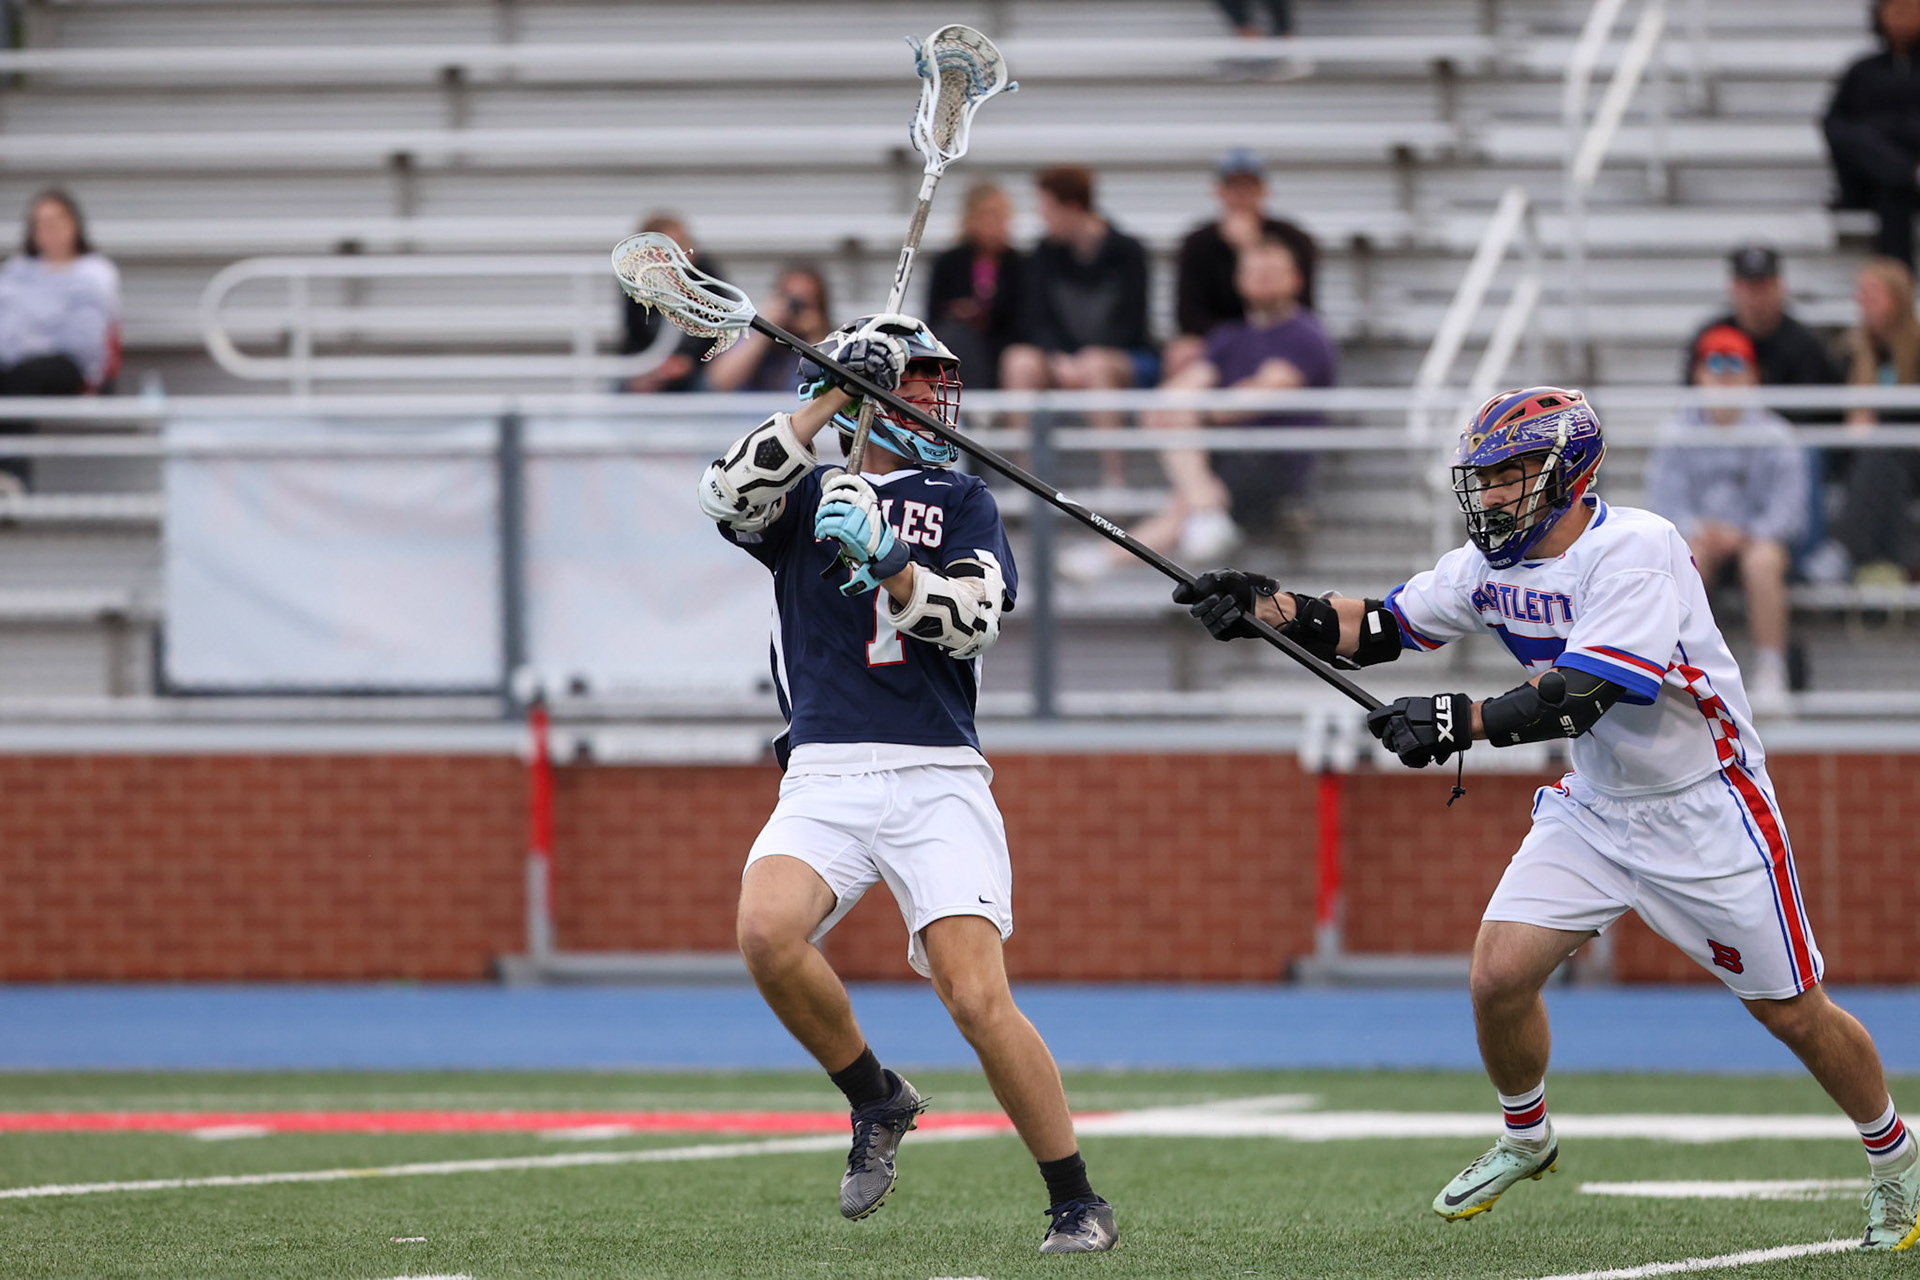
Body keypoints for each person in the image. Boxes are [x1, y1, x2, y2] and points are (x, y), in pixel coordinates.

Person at [1173, 386, 1919, 1252]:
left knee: (1793, 1013)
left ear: (1568, 474)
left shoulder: (1638, 547)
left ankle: (1895, 1158)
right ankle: (1527, 1134)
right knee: (1497, 977)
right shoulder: (1487, 566)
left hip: (1706, 807)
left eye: (1511, 475)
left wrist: (1457, 722)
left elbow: (1584, 696)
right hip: (1598, 806)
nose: (1490, 496)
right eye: (1483, 479)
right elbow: (1376, 626)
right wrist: (1263, 608)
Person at [699, 312, 1117, 1254]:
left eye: (937, 381)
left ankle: (1075, 1199)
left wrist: (890, 563)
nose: (932, 397)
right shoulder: (803, 489)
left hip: (935, 773)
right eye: (913, 379)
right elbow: (724, 498)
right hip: (827, 769)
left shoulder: (962, 500)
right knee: (765, 932)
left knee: (974, 995)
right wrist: (827, 402)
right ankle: (876, 1098)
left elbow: (972, 622)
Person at [1064, 236, 1336, 578]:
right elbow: (1186, 386)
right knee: (1186, 491)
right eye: (1254, 271)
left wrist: (1194, 411)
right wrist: (1173, 406)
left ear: (1296, 279)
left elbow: (1261, 394)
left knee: (1184, 504)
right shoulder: (1230, 337)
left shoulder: (1305, 334)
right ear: (1239, 280)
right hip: (1224, 456)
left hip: (1274, 461)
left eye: (1272, 272)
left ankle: (1105, 558)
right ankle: (1196, 518)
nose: (1262, 278)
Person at [1646, 326, 1811, 717]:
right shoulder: (1675, 433)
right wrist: (1700, 529)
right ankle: (1686, 673)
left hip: (1758, 540)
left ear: (1753, 375)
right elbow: (1666, 505)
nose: (1724, 374)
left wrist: (1748, 534)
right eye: (1713, 364)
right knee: (1687, 557)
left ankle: (1772, 673)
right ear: (1698, 374)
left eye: (1734, 364)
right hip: (1702, 538)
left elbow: (1789, 511)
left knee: (1762, 560)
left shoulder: (1777, 434)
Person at [999, 166, 1154, 486]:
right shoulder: (1044, 252)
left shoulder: (1128, 251)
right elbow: (1035, 318)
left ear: (1071, 209)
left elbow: (1132, 324)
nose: (1044, 220)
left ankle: (1115, 480)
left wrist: (1086, 358)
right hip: (1063, 359)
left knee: (1096, 365)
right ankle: (1024, 478)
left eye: (1048, 210)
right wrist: (1059, 357)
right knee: (1018, 360)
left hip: (1123, 358)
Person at [0, 188, 121, 490]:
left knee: (22, 378)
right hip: (16, 363)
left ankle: (13, 480)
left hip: (70, 365)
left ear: (74, 225)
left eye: (56, 222)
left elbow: (86, 339)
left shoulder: (95, 272)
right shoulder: (16, 271)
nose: (49, 231)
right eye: (40, 224)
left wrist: (31, 338)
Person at [1169, 150, 1318, 379]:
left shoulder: (1295, 240)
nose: (1241, 196)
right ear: (1219, 192)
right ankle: (1184, 412)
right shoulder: (1197, 244)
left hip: (1278, 335)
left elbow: (1300, 306)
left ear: (1264, 191)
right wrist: (1236, 339)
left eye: (1249, 187)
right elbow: (1189, 315)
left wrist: (1250, 247)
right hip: (1216, 339)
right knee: (1183, 353)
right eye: (1234, 188)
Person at [1830, 255, 1920, 585]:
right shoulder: (1850, 352)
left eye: (1872, 294)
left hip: (1909, 451)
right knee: (1878, 457)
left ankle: (1845, 551)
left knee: (1883, 450)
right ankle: (1888, 565)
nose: (1862, 303)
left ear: (1898, 299)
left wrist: (1876, 420)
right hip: (1868, 456)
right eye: (1860, 294)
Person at [1681, 245, 1838, 422]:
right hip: (1720, 435)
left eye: (1763, 286)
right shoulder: (1711, 336)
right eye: (1749, 287)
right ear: (1734, 288)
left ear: (1779, 287)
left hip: (1791, 440)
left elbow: (1818, 411)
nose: (1756, 298)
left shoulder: (1805, 342)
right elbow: (1690, 397)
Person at [1824, 0, 1920, 267]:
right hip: (1871, 181)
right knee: (1860, 143)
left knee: (1893, 191)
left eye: (1912, 10)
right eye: (1896, 10)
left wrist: (1889, 130)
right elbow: (1836, 127)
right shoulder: (1862, 70)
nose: (1903, 19)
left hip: (1898, 182)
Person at [925, 183, 1024, 391]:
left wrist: (989, 315)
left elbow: (1025, 315)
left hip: (1001, 344)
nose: (997, 223)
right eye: (989, 215)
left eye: (1001, 215)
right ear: (970, 219)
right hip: (960, 344)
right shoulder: (949, 262)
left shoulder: (1019, 264)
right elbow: (934, 313)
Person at [620, 214, 724, 394]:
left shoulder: (707, 278)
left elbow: (722, 331)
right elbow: (634, 336)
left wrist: (689, 362)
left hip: (698, 370)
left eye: (679, 247)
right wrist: (647, 368)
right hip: (652, 370)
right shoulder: (633, 284)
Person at [703, 263, 833, 394]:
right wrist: (766, 329)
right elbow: (719, 382)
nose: (796, 309)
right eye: (790, 299)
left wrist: (816, 337)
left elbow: (828, 389)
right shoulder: (755, 336)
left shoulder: (831, 342)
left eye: (806, 302)